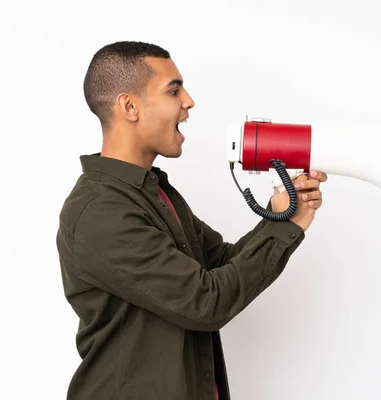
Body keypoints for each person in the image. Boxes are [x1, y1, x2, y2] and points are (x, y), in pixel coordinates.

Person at [55, 40, 328, 400]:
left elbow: (222, 264)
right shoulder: (100, 210)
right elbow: (206, 301)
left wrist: (285, 214)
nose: (188, 101)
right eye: (173, 90)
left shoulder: (155, 192)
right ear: (129, 106)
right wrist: (284, 229)